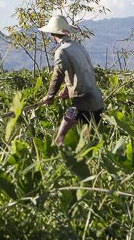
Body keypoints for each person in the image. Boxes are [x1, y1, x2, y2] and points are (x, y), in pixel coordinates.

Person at [39, 15, 104, 146]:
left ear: (53, 34)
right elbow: (79, 73)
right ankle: (92, 164)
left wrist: (49, 96)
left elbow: (58, 75)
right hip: (96, 99)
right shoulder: (77, 46)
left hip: (82, 100)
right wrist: (66, 90)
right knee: (89, 142)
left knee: (59, 139)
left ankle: (62, 163)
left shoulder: (62, 51)